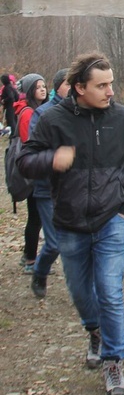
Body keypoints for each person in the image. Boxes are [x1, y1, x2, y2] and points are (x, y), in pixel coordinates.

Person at [17, 52, 124, 395]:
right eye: (101, 85)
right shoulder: (52, 120)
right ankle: (94, 332)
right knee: (79, 291)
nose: (110, 91)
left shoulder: (122, 119)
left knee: (109, 289)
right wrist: (52, 159)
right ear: (79, 88)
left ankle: (113, 361)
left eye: (110, 83)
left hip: (113, 219)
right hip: (69, 221)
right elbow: (24, 161)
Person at [28, 69, 69, 298]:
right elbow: (32, 150)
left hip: (75, 188)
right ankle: (40, 271)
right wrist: (57, 157)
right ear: (58, 87)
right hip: (47, 189)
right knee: (54, 242)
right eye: (68, 84)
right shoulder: (42, 114)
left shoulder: (80, 111)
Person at [14, 74, 48, 275]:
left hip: (36, 170)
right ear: (29, 91)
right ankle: (30, 258)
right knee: (35, 218)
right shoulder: (29, 113)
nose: (43, 90)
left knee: (36, 218)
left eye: (44, 86)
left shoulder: (37, 110)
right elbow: (31, 143)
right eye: (38, 87)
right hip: (34, 173)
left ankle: (30, 256)